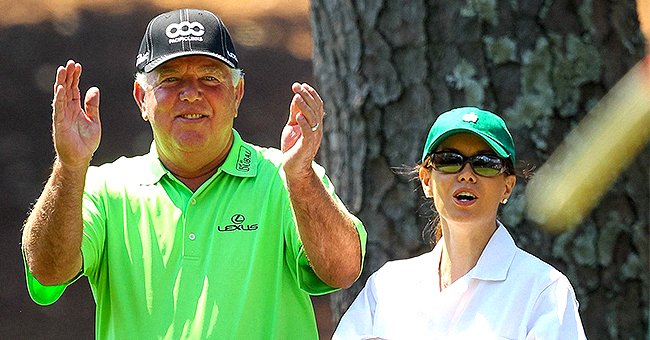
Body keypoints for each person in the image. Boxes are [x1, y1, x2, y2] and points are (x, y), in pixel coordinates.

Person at [21, 8, 366, 339]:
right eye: (170, 79)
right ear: (142, 98)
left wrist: (302, 175)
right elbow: (48, 269)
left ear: (236, 95)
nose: (191, 93)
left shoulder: (286, 176)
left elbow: (343, 269)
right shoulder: (105, 188)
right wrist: (70, 166)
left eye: (209, 78)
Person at [333, 107, 586, 339]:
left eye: (485, 164)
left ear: (507, 186)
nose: (466, 174)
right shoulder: (387, 286)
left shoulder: (545, 290)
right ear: (426, 180)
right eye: (449, 161)